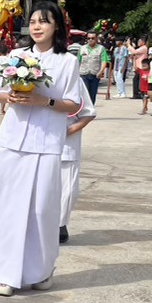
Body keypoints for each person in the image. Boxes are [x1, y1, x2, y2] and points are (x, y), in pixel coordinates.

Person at [0, 1, 86, 296]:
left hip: (46, 143)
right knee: (6, 207)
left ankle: (41, 269)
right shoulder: (16, 56)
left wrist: (44, 102)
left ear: (56, 26)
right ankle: (4, 274)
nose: (37, 26)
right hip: (11, 141)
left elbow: (73, 103)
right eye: (32, 21)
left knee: (41, 209)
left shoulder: (68, 61)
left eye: (44, 21)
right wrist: (8, 97)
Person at [59, 96, 97, 244]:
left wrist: (71, 130)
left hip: (67, 144)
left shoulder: (75, 81)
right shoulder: (32, 79)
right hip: (37, 145)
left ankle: (60, 224)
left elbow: (88, 112)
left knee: (68, 191)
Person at [75, 33, 108, 103]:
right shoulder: (82, 48)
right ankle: (83, 110)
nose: (90, 40)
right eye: (88, 38)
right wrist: (75, 73)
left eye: (92, 38)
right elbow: (78, 61)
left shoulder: (101, 48)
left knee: (92, 95)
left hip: (95, 75)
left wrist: (101, 71)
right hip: (83, 74)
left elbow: (104, 61)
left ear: (96, 39)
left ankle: (90, 109)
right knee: (84, 94)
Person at [133, 37, 152, 113]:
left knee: (145, 98)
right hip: (142, 88)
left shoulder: (150, 71)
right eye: (142, 65)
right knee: (143, 98)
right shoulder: (141, 71)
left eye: (145, 66)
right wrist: (134, 60)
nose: (143, 67)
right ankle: (145, 107)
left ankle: (143, 109)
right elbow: (136, 68)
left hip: (148, 88)